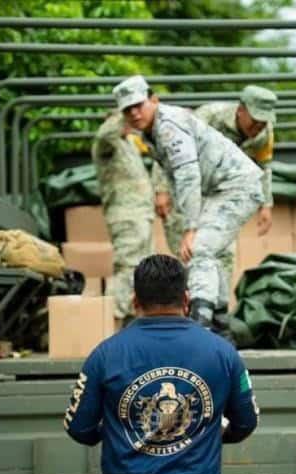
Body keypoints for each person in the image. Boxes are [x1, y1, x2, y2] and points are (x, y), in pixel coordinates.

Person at [63, 254, 259, 474]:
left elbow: (79, 428)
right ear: (186, 299)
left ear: (135, 301)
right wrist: (211, 434)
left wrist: (120, 431)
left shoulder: (105, 355)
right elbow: (246, 423)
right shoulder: (223, 353)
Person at [113, 75, 265, 333]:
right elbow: (176, 176)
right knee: (208, 254)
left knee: (199, 249)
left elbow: (187, 175)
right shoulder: (151, 132)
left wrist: (191, 227)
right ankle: (220, 328)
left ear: (154, 100)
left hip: (236, 187)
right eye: (128, 109)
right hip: (219, 191)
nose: (134, 113)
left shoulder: (168, 125)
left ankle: (199, 327)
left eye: (139, 104)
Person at [155, 85, 278, 333]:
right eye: (255, 121)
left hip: (225, 194)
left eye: (264, 122)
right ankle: (193, 317)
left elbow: (264, 167)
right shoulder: (208, 116)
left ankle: (216, 323)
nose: (258, 128)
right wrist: (161, 188)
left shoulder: (265, 133)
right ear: (241, 109)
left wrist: (266, 204)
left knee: (221, 252)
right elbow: (170, 148)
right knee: (189, 252)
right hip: (192, 190)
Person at [92, 111, 155, 324]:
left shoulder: (127, 144)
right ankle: (110, 322)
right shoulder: (107, 145)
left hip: (140, 217)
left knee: (139, 272)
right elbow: (104, 135)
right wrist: (122, 115)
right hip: (126, 216)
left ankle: (128, 322)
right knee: (127, 269)